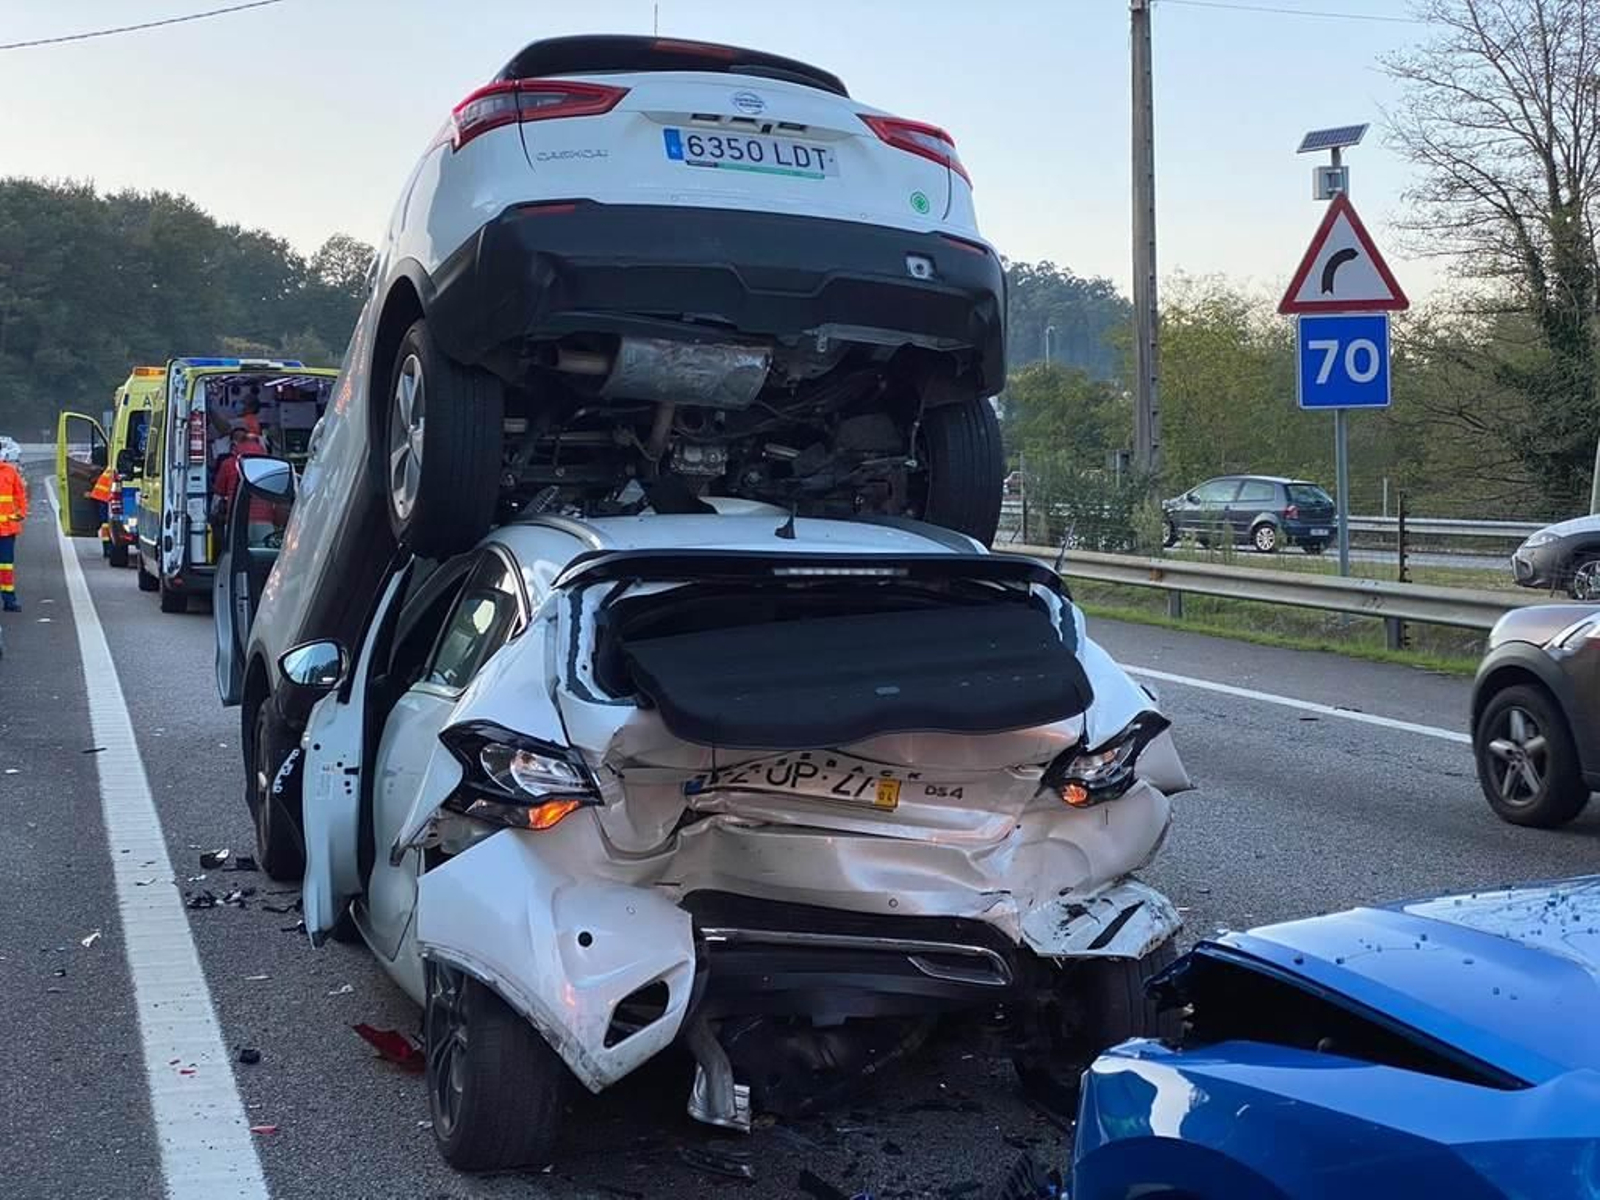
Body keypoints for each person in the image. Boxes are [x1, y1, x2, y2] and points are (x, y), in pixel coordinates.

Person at [0, 440, 28, 612]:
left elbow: (20, 496)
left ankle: (9, 599)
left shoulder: (10, 472)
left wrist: (20, 514)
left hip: (7, 529)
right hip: (7, 528)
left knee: (6, 566)